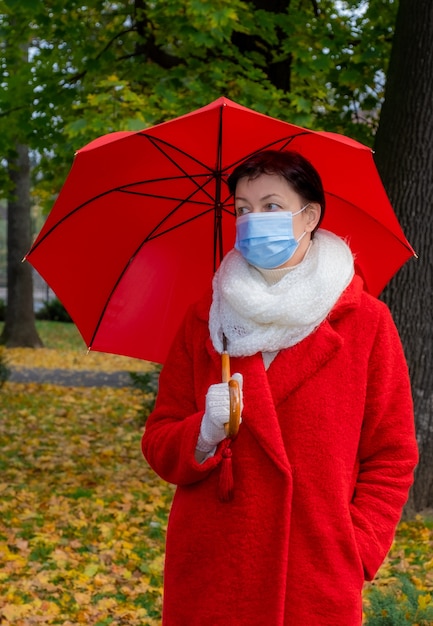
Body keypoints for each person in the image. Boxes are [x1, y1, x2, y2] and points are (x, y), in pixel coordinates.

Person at [141, 150, 418, 625]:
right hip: (214, 570)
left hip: (312, 572)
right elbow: (159, 441)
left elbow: (392, 455)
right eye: (242, 209)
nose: (253, 221)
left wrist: (356, 547)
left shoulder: (365, 322)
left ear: (309, 216)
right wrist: (203, 433)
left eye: (270, 206)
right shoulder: (207, 319)